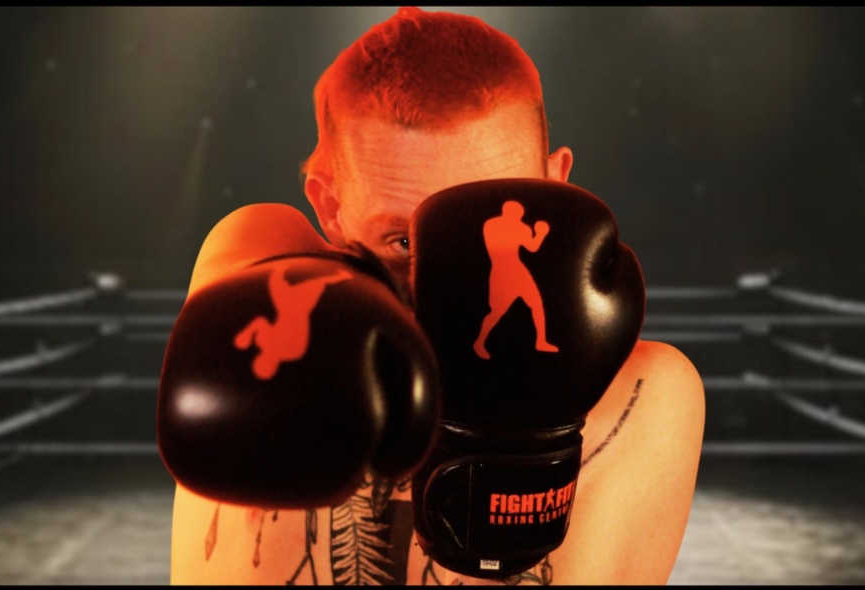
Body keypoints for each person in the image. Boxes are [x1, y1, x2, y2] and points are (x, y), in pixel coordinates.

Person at [168, 7, 705, 585]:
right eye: (403, 240)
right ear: (329, 208)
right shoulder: (263, 258)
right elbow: (246, 256)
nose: (446, 277)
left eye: (473, 225)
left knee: (663, 384)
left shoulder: (644, 399)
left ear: (555, 185)